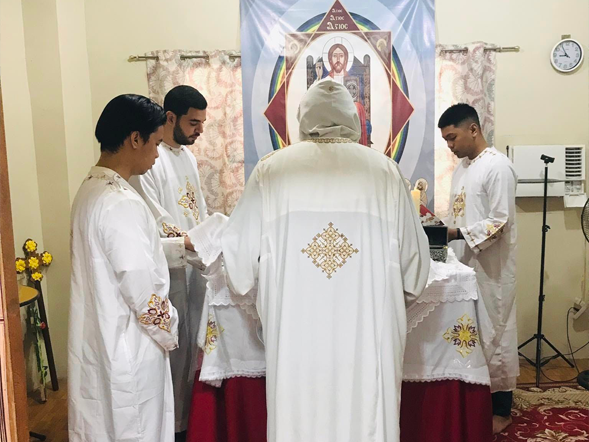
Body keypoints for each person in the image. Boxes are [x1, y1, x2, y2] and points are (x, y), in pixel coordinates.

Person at [222, 79, 430, 442]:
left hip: (294, 337)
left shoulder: (271, 171)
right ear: (353, 118)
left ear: (303, 118)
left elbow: (238, 268)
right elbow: (414, 273)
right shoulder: (385, 172)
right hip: (369, 337)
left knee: (297, 417)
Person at [69, 94, 178, 442]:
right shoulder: (120, 201)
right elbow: (141, 289)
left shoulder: (89, 190)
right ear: (135, 139)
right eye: (156, 143)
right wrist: (170, 328)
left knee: (103, 422)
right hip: (129, 343)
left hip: (98, 336)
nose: (158, 154)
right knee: (136, 426)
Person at [130, 85, 208, 437]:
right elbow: (155, 219)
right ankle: (172, 426)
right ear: (171, 117)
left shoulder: (187, 157)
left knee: (192, 347)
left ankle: (187, 421)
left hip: (193, 265)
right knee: (173, 350)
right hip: (170, 269)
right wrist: (188, 241)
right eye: (193, 122)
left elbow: (198, 210)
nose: (200, 130)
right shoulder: (151, 161)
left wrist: (209, 236)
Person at [439, 103, 518, 434]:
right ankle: (474, 398)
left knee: (494, 331)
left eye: (452, 137)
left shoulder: (497, 167)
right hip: (464, 262)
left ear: (473, 129)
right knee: (469, 332)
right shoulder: (462, 168)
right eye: (445, 140)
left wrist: (457, 234)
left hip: (490, 268)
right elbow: (459, 213)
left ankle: (502, 408)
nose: (450, 146)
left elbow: (500, 221)